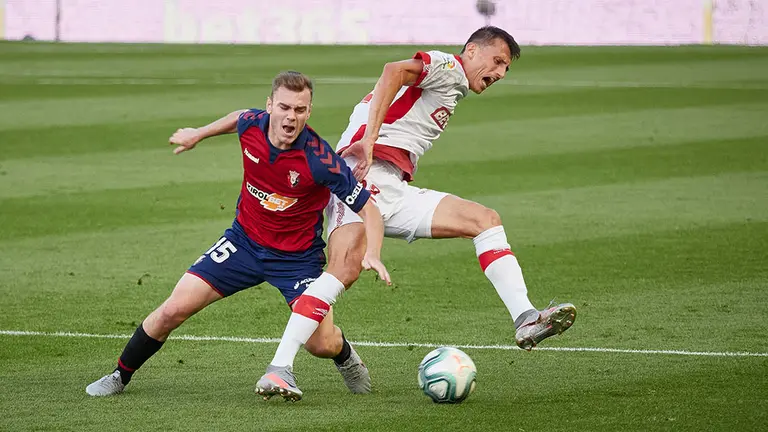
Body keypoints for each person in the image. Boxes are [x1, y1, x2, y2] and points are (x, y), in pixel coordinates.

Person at [85, 71, 390, 401]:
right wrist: (198, 134)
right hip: (242, 242)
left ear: (309, 112)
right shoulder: (253, 125)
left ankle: (344, 355)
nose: (291, 117)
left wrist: (372, 251)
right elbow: (237, 119)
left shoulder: (320, 160)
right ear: (270, 105)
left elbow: (369, 209)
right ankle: (119, 375)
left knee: (321, 344)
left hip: (297, 261)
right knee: (173, 309)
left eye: (300, 110)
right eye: (284, 107)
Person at [328, 26, 577, 352]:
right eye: (498, 60)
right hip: (363, 176)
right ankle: (290, 360)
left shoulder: (454, 83)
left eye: (506, 68)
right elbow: (393, 70)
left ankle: (526, 318)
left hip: (391, 185)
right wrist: (370, 140)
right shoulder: (449, 67)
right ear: (471, 51)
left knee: (485, 220)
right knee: (341, 273)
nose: (501, 72)